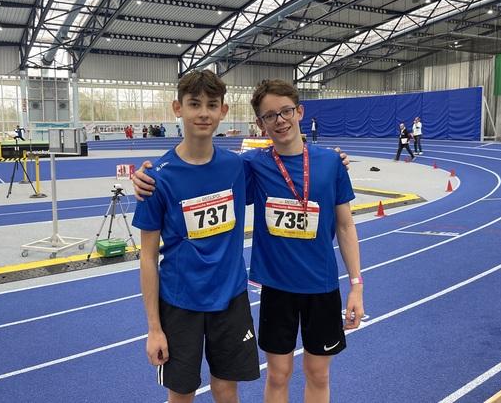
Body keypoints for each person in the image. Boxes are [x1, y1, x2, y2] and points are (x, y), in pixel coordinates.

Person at [133, 80, 363, 403]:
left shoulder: (247, 166)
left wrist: (356, 284)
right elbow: (148, 255)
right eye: (270, 115)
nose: (280, 120)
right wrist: (142, 177)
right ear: (177, 108)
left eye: (286, 111)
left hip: (250, 297)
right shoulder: (171, 176)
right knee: (192, 392)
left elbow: (343, 220)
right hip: (201, 299)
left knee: (243, 387)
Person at [132, 70, 260, 402]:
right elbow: (147, 258)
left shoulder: (237, 167)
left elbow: (286, 164)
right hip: (180, 303)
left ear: (223, 111)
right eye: (194, 104)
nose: (203, 113)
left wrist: (336, 161)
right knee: (181, 394)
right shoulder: (156, 179)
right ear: (178, 108)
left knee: (226, 390)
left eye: (212, 105)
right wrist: (154, 328)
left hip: (230, 298)